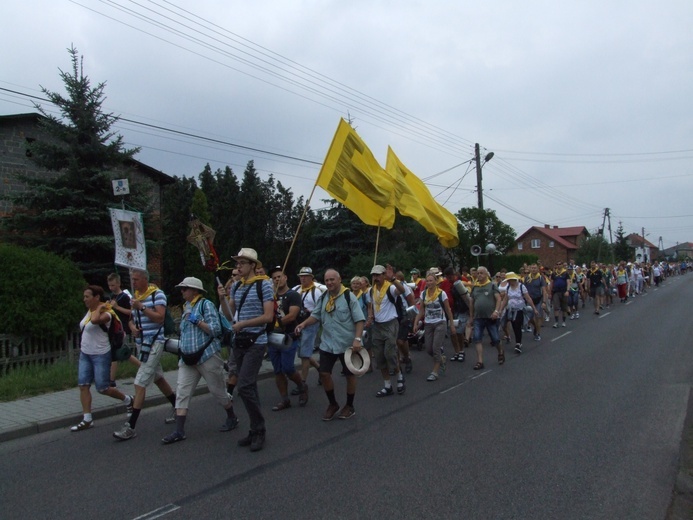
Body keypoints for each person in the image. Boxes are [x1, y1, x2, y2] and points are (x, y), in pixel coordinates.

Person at [162, 277, 239, 444]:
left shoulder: (206, 305)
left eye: (185, 289)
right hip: (188, 358)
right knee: (182, 392)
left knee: (217, 391)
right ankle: (179, 431)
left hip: (207, 356)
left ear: (195, 291)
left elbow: (215, 329)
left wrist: (196, 321)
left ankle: (232, 416)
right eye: (181, 289)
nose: (182, 292)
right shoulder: (187, 307)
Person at [218, 248, 274, 452]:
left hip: (256, 341)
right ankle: (255, 429)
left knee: (245, 386)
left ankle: (259, 430)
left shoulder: (264, 285)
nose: (238, 266)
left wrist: (243, 324)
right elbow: (229, 314)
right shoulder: (237, 287)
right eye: (237, 263)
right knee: (249, 387)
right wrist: (222, 299)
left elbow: (268, 316)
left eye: (242, 263)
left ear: (253, 265)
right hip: (240, 341)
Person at [113, 269, 177, 441]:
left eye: (136, 279)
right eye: (132, 279)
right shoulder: (135, 297)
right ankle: (177, 405)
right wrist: (133, 327)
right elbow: (131, 319)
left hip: (155, 342)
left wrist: (141, 307)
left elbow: (159, 318)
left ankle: (131, 426)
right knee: (158, 378)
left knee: (140, 383)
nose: (133, 282)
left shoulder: (157, 295)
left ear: (144, 280)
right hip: (143, 345)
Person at [295, 269, 365, 420]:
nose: (329, 283)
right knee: (324, 373)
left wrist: (357, 339)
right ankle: (333, 404)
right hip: (327, 344)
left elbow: (360, 319)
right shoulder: (324, 297)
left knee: (349, 375)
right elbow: (316, 315)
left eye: (332, 280)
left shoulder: (348, 296)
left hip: (347, 344)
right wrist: (303, 324)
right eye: (327, 280)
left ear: (339, 280)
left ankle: (349, 405)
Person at [71, 285, 133, 432]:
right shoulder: (90, 310)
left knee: (103, 388)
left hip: (100, 354)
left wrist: (98, 308)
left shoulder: (107, 313)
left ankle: (128, 400)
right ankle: (87, 419)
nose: (84, 299)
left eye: (87, 296)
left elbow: (94, 321)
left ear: (97, 297)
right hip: (85, 353)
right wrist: (95, 309)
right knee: (83, 385)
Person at [268, 267, 308, 410]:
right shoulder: (270, 297)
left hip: (288, 337)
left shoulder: (293, 295)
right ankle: (285, 399)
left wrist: (273, 322)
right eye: (274, 278)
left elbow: (292, 316)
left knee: (288, 368)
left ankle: (302, 386)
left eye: (280, 276)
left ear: (285, 278)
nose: (277, 279)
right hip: (273, 337)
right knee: (277, 370)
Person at [367, 264, 407, 396]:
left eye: (378, 275)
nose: (375, 277)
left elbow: (401, 291)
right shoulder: (371, 290)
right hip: (377, 325)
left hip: (390, 323)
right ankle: (387, 385)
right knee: (379, 357)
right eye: (374, 275)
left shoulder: (390, 287)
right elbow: (370, 305)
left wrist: (393, 278)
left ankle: (399, 375)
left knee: (390, 353)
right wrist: (370, 315)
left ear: (384, 275)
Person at [413, 273, 455, 381]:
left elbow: (448, 310)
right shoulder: (423, 294)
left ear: (436, 282)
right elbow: (421, 310)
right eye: (427, 281)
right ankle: (441, 359)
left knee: (436, 348)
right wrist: (416, 322)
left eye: (431, 280)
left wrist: (452, 324)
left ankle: (435, 371)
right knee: (429, 349)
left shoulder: (442, 294)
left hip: (440, 322)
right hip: (428, 323)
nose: (429, 283)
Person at [292, 267, 325, 388]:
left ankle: (302, 382)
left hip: (310, 323)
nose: (303, 278)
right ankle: (320, 369)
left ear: (311, 277)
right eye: (301, 276)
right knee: (302, 352)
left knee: (304, 354)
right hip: (297, 323)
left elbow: (320, 310)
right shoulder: (295, 289)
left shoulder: (317, 291)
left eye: (305, 276)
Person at [107, 272, 138, 387]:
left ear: (119, 284)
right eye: (109, 285)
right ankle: (143, 367)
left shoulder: (124, 297)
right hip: (113, 326)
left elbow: (131, 312)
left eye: (113, 285)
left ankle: (111, 379)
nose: (111, 288)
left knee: (115, 352)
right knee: (123, 353)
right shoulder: (111, 296)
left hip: (122, 327)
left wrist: (117, 307)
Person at [469, 266, 502, 370]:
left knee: (495, 339)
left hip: (490, 317)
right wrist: (471, 316)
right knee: (477, 339)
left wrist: (496, 311)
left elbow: (498, 298)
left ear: (486, 274)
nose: (479, 275)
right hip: (478, 318)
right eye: (478, 273)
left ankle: (500, 352)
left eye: (481, 273)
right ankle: (480, 361)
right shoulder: (475, 287)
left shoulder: (492, 285)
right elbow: (471, 302)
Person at [498, 273, 537, 354]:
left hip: (519, 310)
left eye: (509, 280)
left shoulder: (521, 287)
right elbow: (505, 299)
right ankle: (518, 342)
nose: (508, 282)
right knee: (514, 326)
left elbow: (528, 298)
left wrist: (534, 308)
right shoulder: (508, 288)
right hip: (511, 310)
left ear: (513, 280)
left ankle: (518, 343)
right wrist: (500, 309)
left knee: (517, 325)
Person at [524, 264, 546, 341]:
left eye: (535, 268)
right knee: (529, 317)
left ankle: (538, 333)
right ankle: (535, 327)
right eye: (532, 268)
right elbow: (524, 289)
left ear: (537, 269)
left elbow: (544, 290)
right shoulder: (527, 278)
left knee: (537, 317)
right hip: (529, 300)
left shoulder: (540, 278)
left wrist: (544, 301)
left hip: (538, 300)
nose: (533, 269)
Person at [550, 261, 571, 328]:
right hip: (556, 292)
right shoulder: (554, 273)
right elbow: (551, 283)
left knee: (564, 307)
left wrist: (567, 290)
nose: (558, 265)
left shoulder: (565, 273)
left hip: (564, 292)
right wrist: (550, 292)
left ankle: (563, 321)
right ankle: (556, 322)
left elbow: (568, 282)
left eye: (560, 264)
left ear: (562, 265)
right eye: (557, 264)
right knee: (556, 307)